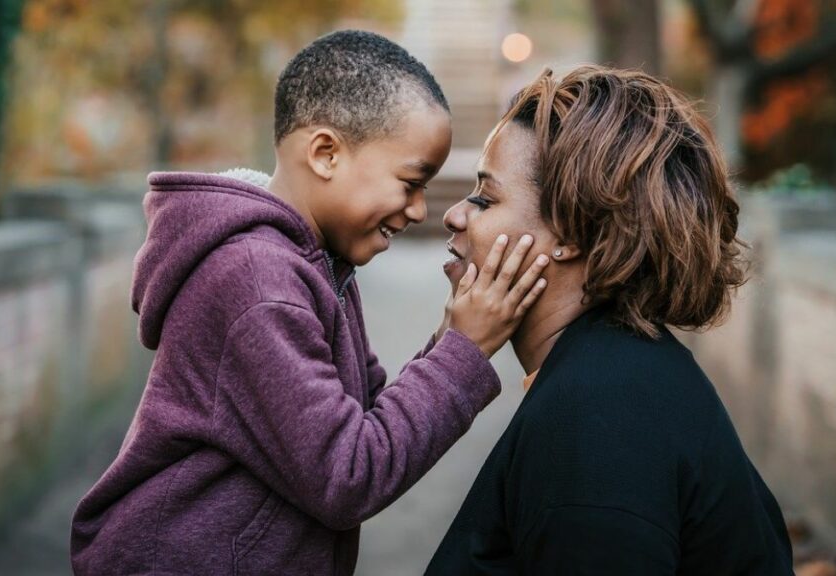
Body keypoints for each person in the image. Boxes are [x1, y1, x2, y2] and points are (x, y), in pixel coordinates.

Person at [70, 30, 549, 575]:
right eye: (410, 182)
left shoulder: (314, 265)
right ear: (325, 154)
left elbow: (367, 418)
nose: (419, 210)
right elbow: (347, 474)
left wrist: (448, 339)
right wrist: (466, 349)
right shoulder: (257, 284)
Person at [426, 66, 795, 575]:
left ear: (572, 233)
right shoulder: (612, 375)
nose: (455, 216)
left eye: (487, 199)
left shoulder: (599, 419)